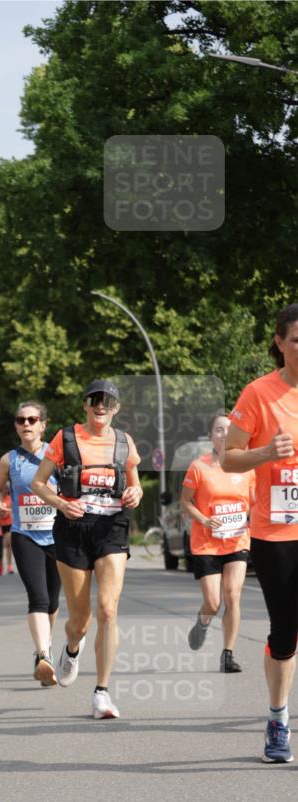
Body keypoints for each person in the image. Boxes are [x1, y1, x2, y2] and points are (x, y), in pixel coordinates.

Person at [31, 380, 142, 718]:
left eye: (108, 401)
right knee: (80, 620)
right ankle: (72, 648)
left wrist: (137, 494)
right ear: (85, 404)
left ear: (116, 408)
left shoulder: (124, 443)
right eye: (94, 400)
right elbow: (39, 483)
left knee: (108, 610)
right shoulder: (66, 438)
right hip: (73, 530)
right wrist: (61, 504)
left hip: (111, 529)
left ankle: (102, 693)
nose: (100, 405)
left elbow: (135, 486)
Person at [222, 303, 298, 763]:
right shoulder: (259, 394)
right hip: (277, 532)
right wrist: (267, 451)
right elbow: (229, 457)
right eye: (297, 341)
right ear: (279, 343)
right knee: (286, 633)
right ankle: (277, 716)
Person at [0, 401, 62, 686]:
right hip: (25, 535)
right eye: (21, 420)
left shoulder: (57, 456)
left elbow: (72, 488)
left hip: (57, 535)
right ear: (16, 426)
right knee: (38, 598)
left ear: (43, 425)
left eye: (33, 419)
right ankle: (42, 655)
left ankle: (47, 646)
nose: (27, 424)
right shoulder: (9, 460)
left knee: (53, 601)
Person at [181, 411, 255, 673]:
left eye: (229, 429)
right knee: (213, 603)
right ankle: (202, 623)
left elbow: (256, 503)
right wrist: (203, 519)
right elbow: (185, 502)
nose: (224, 434)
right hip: (206, 543)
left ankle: (227, 654)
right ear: (211, 436)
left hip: (237, 541)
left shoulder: (248, 468)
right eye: (219, 430)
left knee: (232, 596)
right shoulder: (199, 467)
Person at [0, 493, 14, 574]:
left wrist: (6, 513)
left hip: (8, 524)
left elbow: (12, 510)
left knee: (8, 545)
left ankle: (9, 566)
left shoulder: (10, 498)